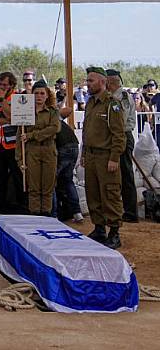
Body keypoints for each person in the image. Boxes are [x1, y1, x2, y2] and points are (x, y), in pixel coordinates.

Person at [83, 67, 126, 249]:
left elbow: (119, 134)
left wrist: (114, 157)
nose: (87, 84)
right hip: (91, 156)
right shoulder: (91, 103)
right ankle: (99, 228)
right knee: (93, 193)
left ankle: (114, 232)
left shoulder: (112, 104)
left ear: (102, 82)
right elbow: (86, 131)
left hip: (106, 156)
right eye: (87, 80)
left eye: (91, 80)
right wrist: (84, 154)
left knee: (110, 193)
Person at [16, 81, 60, 215]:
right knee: (33, 187)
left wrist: (32, 135)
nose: (39, 96)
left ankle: (46, 216)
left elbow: (54, 129)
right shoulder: (24, 112)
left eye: (42, 93)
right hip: (32, 151)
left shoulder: (53, 112)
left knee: (47, 187)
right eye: (36, 93)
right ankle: (35, 216)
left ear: (47, 96)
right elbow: (19, 137)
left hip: (48, 150)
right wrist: (19, 159)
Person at [0, 71, 25, 214]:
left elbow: (14, 116)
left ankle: (22, 208)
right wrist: (6, 120)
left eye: (5, 85)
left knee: (18, 178)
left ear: (12, 85)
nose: (1, 88)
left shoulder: (19, 98)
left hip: (14, 145)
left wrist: (2, 102)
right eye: (0, 85)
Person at [107, 69, 138, 223]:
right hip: (119, 137)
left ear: (111, 82)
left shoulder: (121, 97)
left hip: (123, 136)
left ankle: (131, 212)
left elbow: (121, 120)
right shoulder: (115, 97)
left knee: (125, 174)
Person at [54, 109, 83, 223]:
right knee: (68, 180)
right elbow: (68, 110)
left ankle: (54, 214)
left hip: (62, 147)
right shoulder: (57, 118)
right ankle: (77, 212)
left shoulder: (48, 118)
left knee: (52, 181)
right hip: (74, 146)